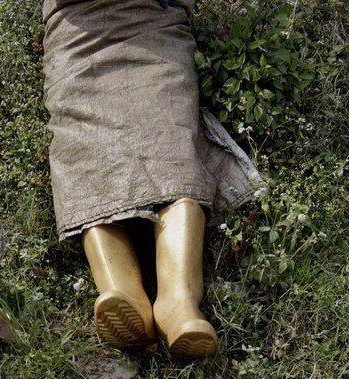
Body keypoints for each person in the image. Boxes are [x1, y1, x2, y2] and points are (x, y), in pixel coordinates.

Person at [42, 0, 263, 358]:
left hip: (154, 24)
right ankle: (122, 292)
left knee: (174, 151)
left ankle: (177, 306)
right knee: (84, 153)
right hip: (78, 34)